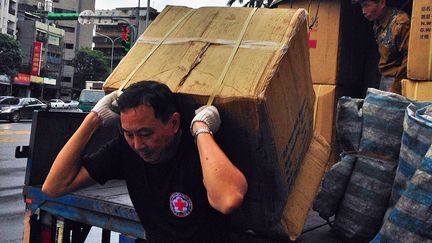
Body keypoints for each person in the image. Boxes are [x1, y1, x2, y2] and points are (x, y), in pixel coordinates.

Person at [42, 80, 248, 242]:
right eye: (129, 134)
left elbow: (228, 200)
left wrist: (202, 129)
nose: (138, 145)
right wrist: (93, 120)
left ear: (174, 123)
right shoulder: (125, 150)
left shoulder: (201, 153)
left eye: (146, 133)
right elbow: (54, 186)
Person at [358, 0, 410, 94]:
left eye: (367, 5)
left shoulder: (400, 23)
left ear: (382, 3)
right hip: (385, 76)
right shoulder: (377, 21)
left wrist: (396, 86)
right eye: (362, 7)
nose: (363, 11)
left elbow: (409, 56)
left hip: (397, 78)